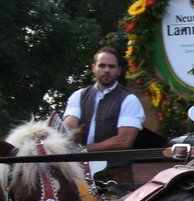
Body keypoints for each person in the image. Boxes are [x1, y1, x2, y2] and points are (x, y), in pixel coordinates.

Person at [62, 47, 155, 185]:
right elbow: (68, 128)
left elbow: (124, 141)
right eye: (102, 65)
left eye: (111, 66)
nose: (106, 70)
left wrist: (84, 150)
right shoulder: (78, 96)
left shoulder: (129, 100)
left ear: (119, 70)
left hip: (115, 173)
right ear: (93, 68)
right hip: (80, 171)